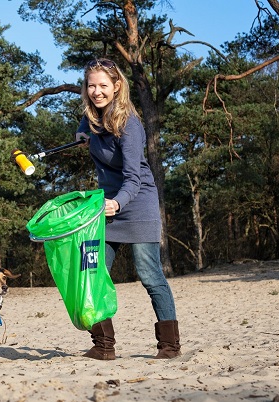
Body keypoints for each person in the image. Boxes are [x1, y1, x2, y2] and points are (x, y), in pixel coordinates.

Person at [75, 57, 181, 360]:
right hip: (105, 205)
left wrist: (118, 203)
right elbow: (83, 131)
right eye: (91, 86)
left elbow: (134, 178)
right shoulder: (91, 117)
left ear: (117, 86)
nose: (97, 91)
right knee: (92, 274)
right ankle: (103, 345)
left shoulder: (129, 124)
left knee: (149, 275)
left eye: (103, 86)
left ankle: (170, 346)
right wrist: (81, 135)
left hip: (137, 203)